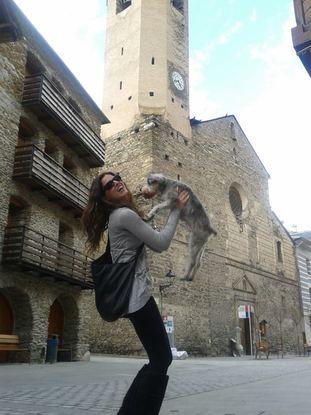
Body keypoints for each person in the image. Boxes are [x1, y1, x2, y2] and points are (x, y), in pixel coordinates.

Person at [81, 171, 189, 415]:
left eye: (117, 177)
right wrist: (176, 210)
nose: (117, 182)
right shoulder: (123, 215)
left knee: (158, 358)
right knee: (162, 359)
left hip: (133, 298)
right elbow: (160, 243)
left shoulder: (119, 215)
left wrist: (146, 196)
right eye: (110, 184)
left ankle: (129, 410)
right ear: (105, 195)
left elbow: (138, 220)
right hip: (137, 298)